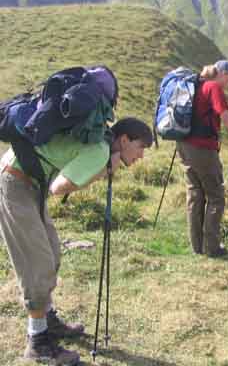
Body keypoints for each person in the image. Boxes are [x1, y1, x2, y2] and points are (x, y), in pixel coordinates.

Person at [0, 117, 153, 365]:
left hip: (26, 182)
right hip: (15, 183)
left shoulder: (100, 141)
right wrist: (104, 169)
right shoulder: (100, 150)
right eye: (141, 147)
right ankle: (38, 342)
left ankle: (47, 319)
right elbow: (59, 188)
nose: (141, 156)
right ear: (124, 140)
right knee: (37, 265)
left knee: (51, 252)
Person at [176, 60, 228, 257]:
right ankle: (212, 247)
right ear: (223, 73)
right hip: (203, 148)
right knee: (216, 196)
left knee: (195, 194)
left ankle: (197, 246)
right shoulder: (213, 87)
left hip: (184, 145)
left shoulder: (196, 85)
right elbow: (225, 117)